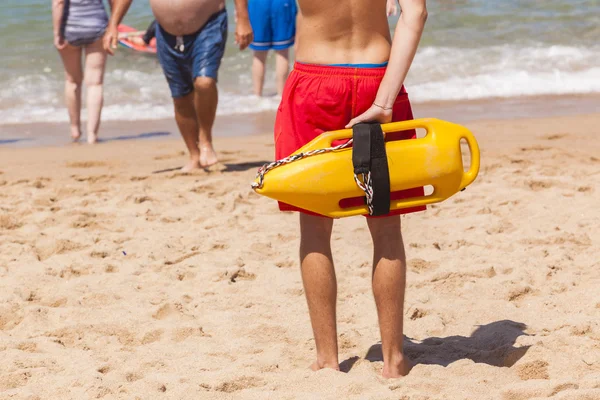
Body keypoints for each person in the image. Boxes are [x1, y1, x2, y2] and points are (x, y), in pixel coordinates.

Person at [273, 0, 428, 378]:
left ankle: (328, 359)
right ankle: (393, 360)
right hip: (379, 79)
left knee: (314, 228)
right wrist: (384, 100)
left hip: (314, 83)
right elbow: (416, 13)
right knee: (387, 229)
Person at [104, 0, 253, 171]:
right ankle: (194, 155)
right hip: (166, 32)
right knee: (180, 96)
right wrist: (113, 24)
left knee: (205, 82)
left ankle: (205, 140)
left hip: (209, 24)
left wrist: (242, 19)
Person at [52, 0, 109, 144]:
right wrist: (114, 24)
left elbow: (58, 3)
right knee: (95, 83)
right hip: (97, 24)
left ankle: (75, 130)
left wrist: (57, 34)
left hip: (70, 27)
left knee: (72, 81)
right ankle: (92, 135)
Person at [247, 0, 298, 96]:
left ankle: (257, 95)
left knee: (258, 55)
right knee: (282, 53)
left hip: (258, 4)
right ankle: (281, 95)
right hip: (282, 3)